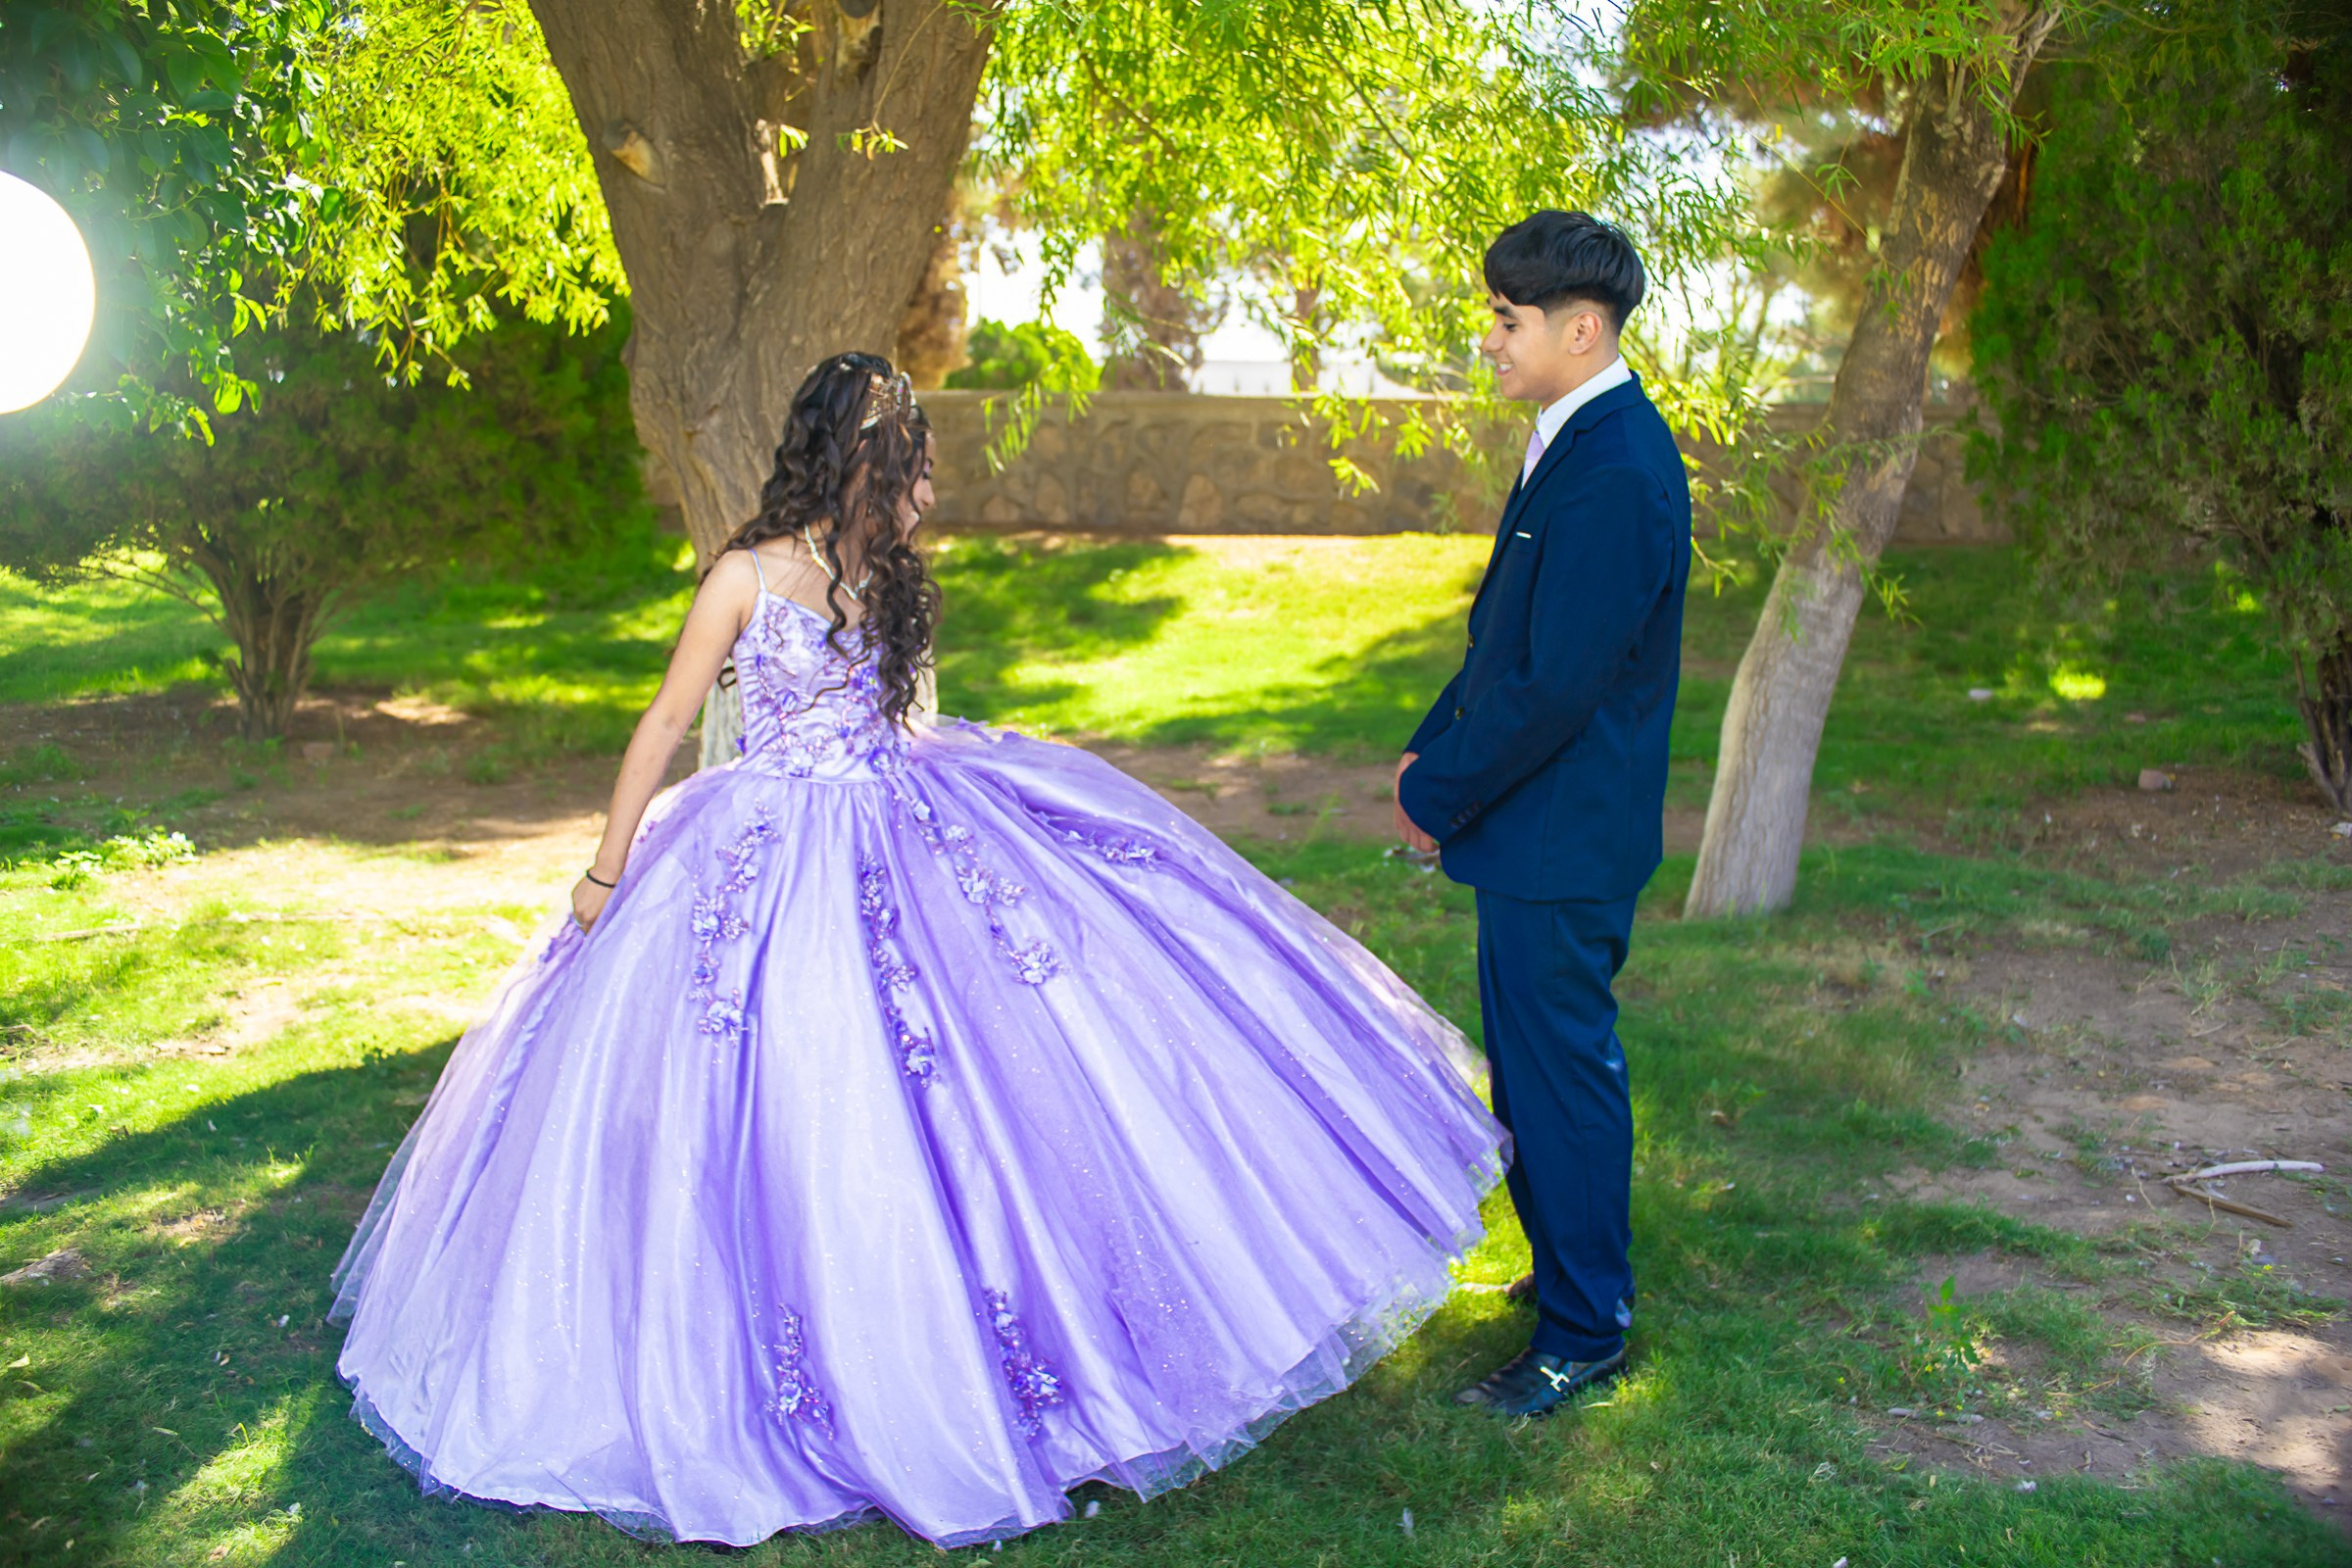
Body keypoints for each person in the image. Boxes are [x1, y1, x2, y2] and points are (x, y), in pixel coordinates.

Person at [329, 351, 1504, 1548]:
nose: (928, 496)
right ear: (856, 466)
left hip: (892, 817)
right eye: (910, 471)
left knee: (968, 1066)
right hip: (766, 840)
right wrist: (605, 865)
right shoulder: (743, 575)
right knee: (762, 1089)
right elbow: (668, 720)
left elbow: (907, 716)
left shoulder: (888, 577)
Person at [1395, 212, 1691, 1418]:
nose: (1492, 338)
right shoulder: (1567, 438)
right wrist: (1434, 731)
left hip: (1564, 834)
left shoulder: (1619, 467)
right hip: (1533, 825)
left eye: (1507, 321)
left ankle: (1584, 1332)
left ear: (1582, 326)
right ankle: (1569, 1270)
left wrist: (1439, 791)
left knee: (1561, 1080)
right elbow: (1501, 633)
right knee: (1527, 1073)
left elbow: (1558, 684)